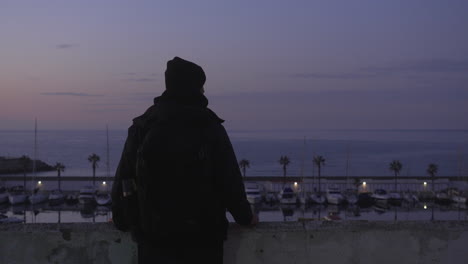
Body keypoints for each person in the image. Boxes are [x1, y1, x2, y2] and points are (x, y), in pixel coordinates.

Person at [112, 57, 257, 264]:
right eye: (202, 86)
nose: (204, 91)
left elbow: (124, 176)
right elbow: (229, 180)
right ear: (195, 87)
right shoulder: (209, 125)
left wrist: (121, 219)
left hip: (154, 239)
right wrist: (245, 216)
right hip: (203, 240)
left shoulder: (143, 125)